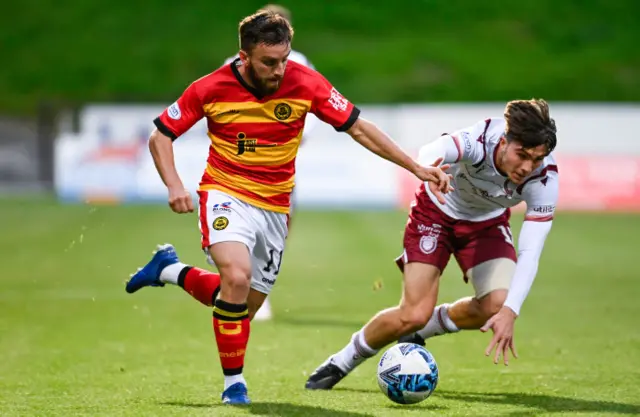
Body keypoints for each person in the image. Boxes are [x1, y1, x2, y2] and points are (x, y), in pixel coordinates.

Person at [124, 10, 452, 406]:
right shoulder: (210, 88)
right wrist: (174, 184)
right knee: (236, 274)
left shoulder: (304, 81)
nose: (280, 69)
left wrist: (415, 166)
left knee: (240, 305)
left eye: (285, 59)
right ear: (243, 57)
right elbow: (161, 135)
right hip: (225, 192)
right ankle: (234, 386)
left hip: (276, 206)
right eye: (269, 62)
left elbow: (359, 127)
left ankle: (170, 269)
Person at [305, 99, 559, 390]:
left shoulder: (544, 179)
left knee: (496, 304)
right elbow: (433, 150)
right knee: (411, 314)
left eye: (536, 159)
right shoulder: (479, 140)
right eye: (522, 154)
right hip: (436, 211)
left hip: (487, 224)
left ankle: (425, 328)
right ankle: (342, 361)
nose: (527, 167)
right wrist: (429, 169)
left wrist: (511, 311)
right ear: (504, 141)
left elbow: (531, 250)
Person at [222, 4, 316, 322]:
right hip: (241, 165)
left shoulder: (300, 65)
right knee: (243, 229)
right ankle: (239, 282)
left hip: (281, 165)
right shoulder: (233, 66)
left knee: (278, 230)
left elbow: (316, 104)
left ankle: (260, 289)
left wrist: (298, 135)